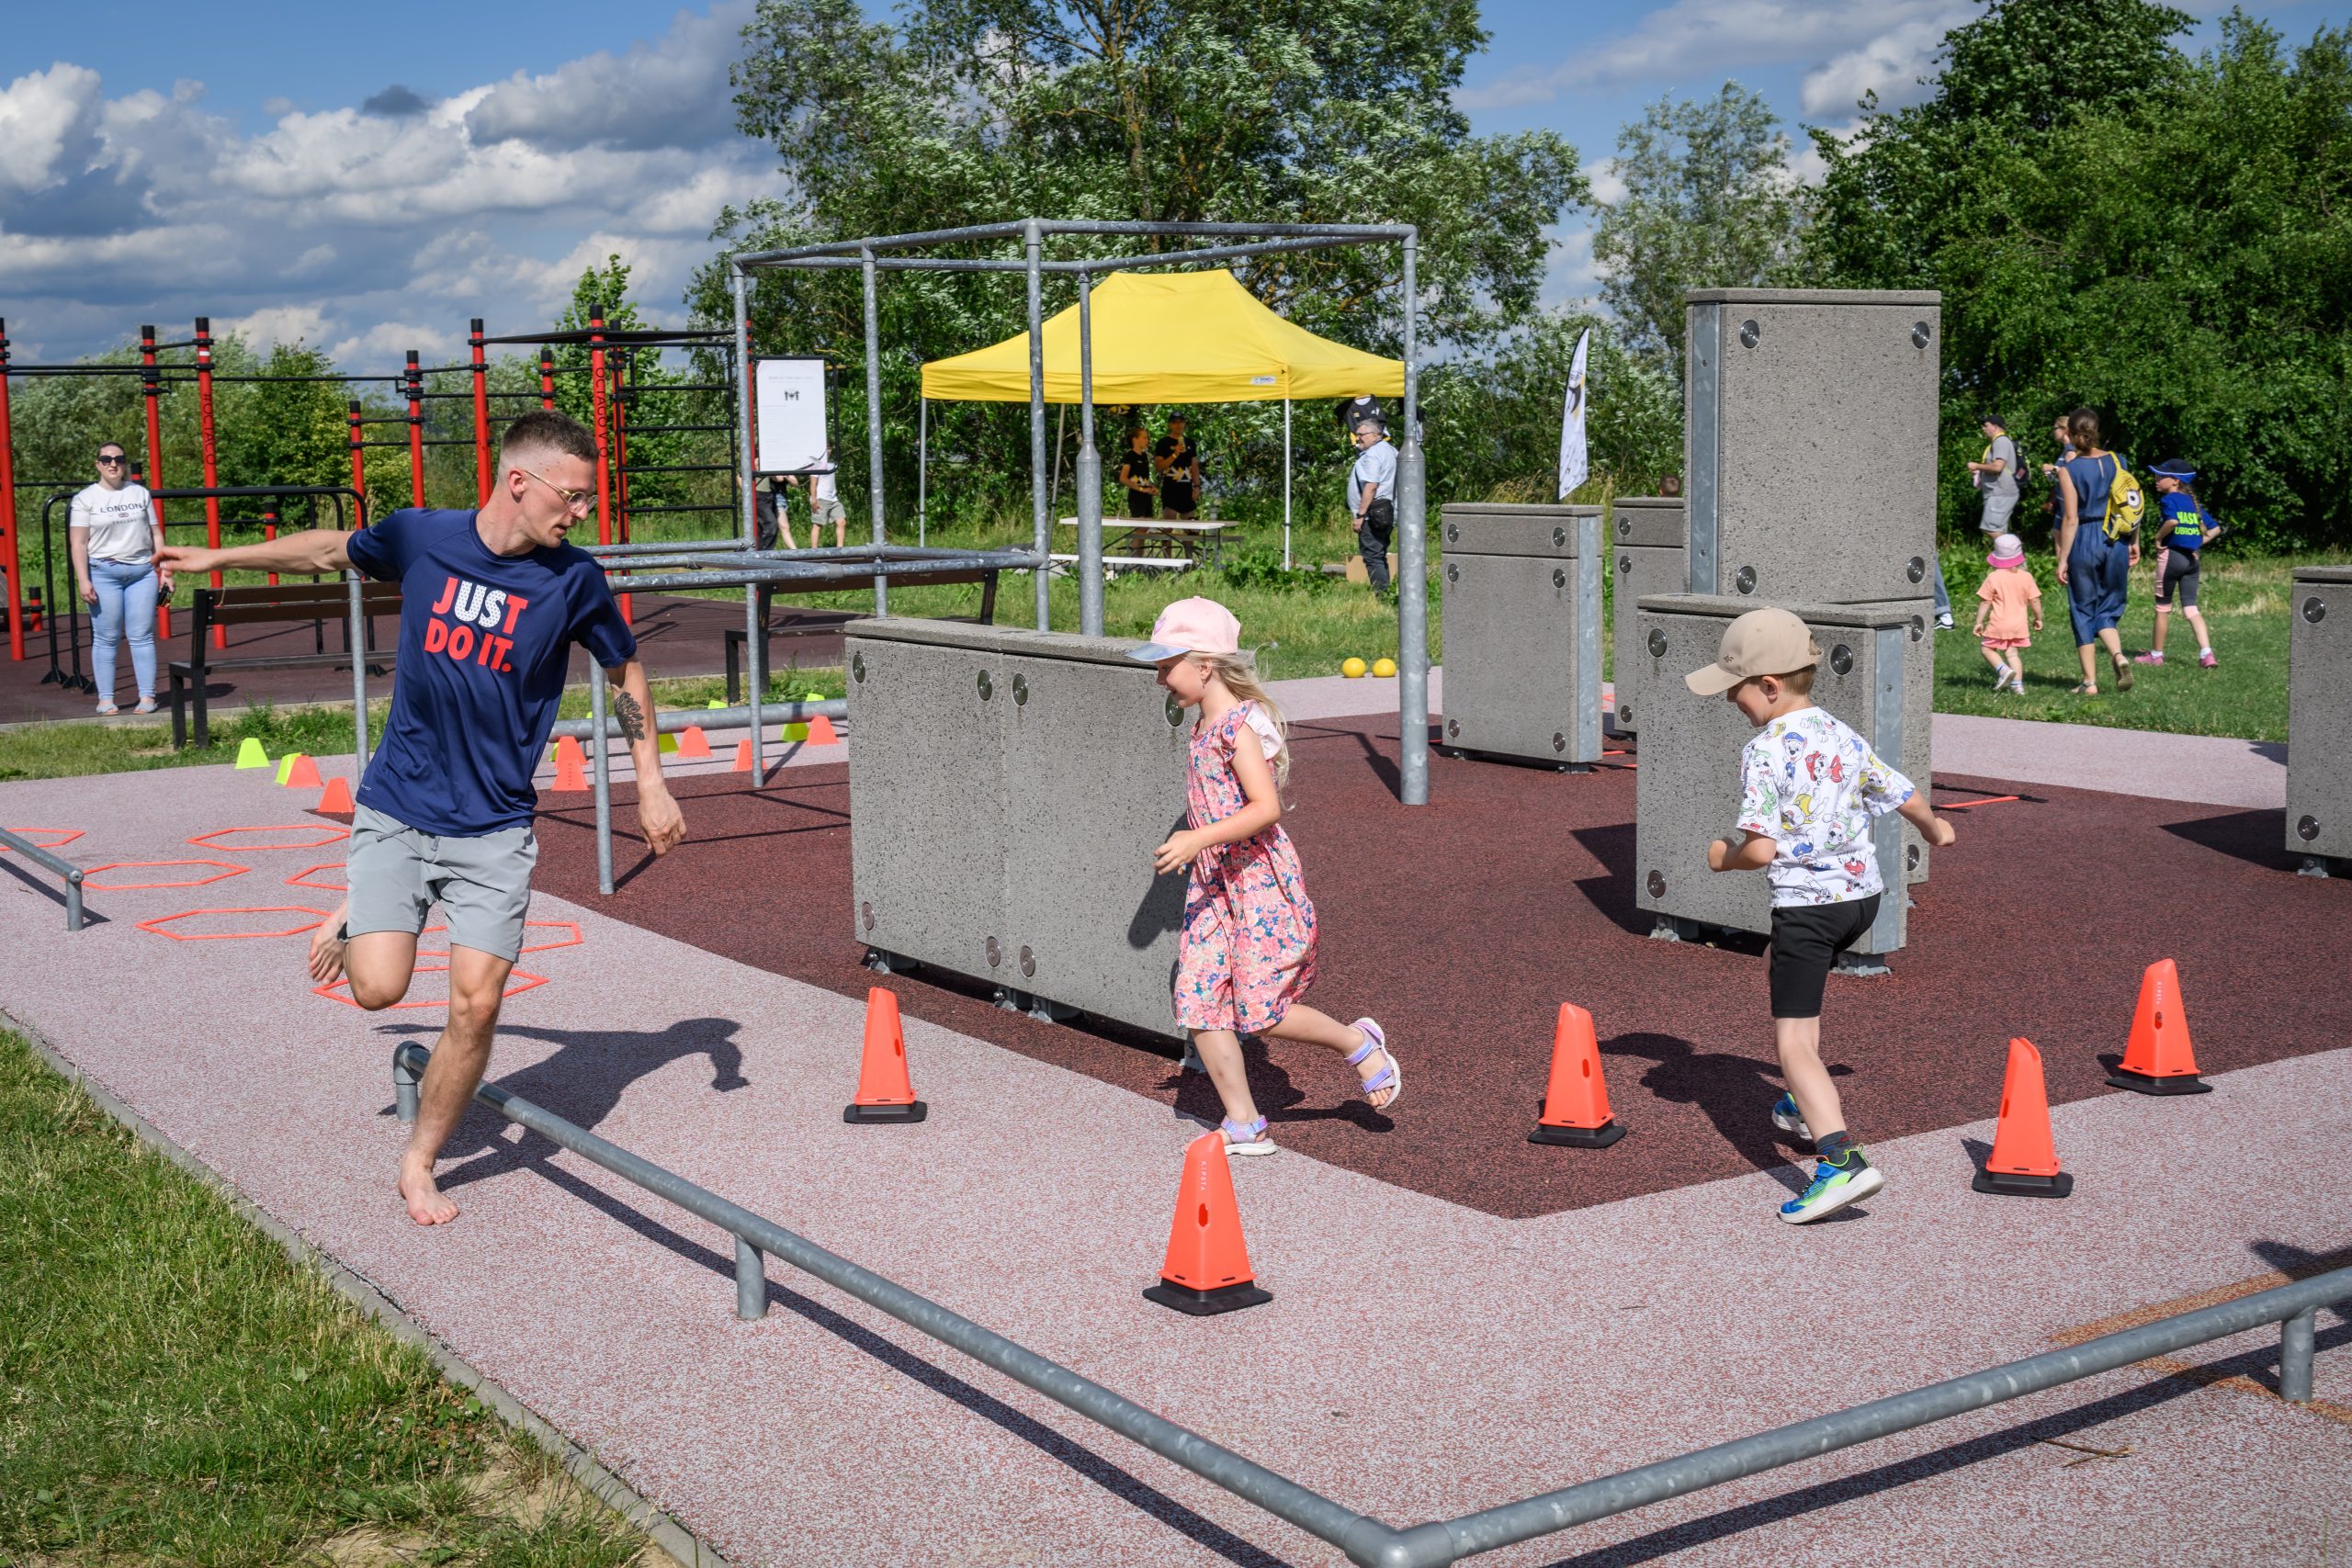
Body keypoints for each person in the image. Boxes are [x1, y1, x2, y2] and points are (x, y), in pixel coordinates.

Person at [156, 411, 687, 1226]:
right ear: (520, 481)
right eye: (574, 497)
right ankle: (361, 907)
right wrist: (215, 556)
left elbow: (625, 670)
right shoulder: (422, 538)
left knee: (477, 1005)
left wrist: (651, 782)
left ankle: (419, 1160)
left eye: (589, 499)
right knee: (378, 989)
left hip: (495, 827)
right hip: (398, 809)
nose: (582, 513)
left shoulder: (574, 580)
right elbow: (327, 550)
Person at [1690, 608, 1955, 1224]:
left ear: (1769, 686)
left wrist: (1722, 858)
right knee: (1778, 967)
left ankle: (1840, 1161)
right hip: (1861, 900)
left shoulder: (1763, 750)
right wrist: (1935, 829)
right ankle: (1800, 1103)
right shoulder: (1840, 732)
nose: (1730, 700)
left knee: (1793, 1041)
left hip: (1808, 908)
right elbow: (1901, 791)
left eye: (1735, 688)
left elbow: (1760, 850)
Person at [1131, 597, 1398, 1156]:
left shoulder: (1237, 728)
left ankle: (1357, 1042)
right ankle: (1244, 1122)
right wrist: (1199, 846)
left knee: (1260, 1013)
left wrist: (1197, 838)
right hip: (1214, 887)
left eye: (1166, 666)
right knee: (1198, 1000)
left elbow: (1265, 807)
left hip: (1255, 882)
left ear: (1205, 666)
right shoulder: (1202, 727)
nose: (1159, 680)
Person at [70, 442, 168, 716]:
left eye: (119, 459)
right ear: (97, 464)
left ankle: (147, 696)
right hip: (103, 572)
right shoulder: (85, 498)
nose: (113, 464)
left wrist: (165, 571)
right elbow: (78, 543)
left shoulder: (139, 493)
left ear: (125, 463)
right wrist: (83, 579)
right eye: (106, 459)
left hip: (142, 572)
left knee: (142, 636)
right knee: (106, 637)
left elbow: (156, 535)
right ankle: (105, 699)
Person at [2054, 407, 2139, 695]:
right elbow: (2131, 504)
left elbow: (2070, 519)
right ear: (2096, 429)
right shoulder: (2119, 460)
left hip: (2086, 538)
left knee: (2082, 607)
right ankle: (2118, 655)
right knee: (2109, 605)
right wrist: (2135, 540)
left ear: (2070, 433)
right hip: (2117, 538)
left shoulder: (2069, 470)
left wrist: (2062, 559)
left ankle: (2089, 682)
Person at [2136, 458, 2221, 668]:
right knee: (2191, 608)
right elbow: (2215, 528)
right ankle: (2207, 654)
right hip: (2192, 560)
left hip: (2172, 558)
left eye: (2161, 476)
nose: (2156, 479)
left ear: (2175, 481)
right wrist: (2196, 543)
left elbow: (2172, 521)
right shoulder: (2192, 502)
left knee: (2162, 607)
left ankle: (2156, 656)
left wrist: (2158, 538)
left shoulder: (2169, 500)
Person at [1972, 532, 2043, 693]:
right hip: (2019, 625)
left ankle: (2003, 670)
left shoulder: (1993, 577)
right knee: (2012, 654)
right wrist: (2038, 618)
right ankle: (2017, 686)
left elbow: (1985, 601)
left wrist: (1979, 622)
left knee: (1986, 649)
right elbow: (2035, 600)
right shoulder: (2027, 577)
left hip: (1999, 623)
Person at [1350, 419, 1399, 595]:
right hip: (1388, 510)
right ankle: (1386, 592)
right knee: (1379, 553)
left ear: (1375, 436)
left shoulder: (1372, 455)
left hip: (1373, 513)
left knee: (1372, 555)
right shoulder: (1391, 451)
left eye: (1361, 434)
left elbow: (1371, 486)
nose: (1357, 438)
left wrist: (1360, 515)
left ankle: (1381, 596)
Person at [1968, 415, 2019, 538]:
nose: (1983, 428)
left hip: (2000, 493)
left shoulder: (2001, 441)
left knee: (1992, 529)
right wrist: (1981, 471)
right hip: (1997, 493)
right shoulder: (1999, 442)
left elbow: (1997, 467)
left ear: (1995, 427)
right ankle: (2008, 550)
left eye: (1986, 425)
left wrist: (1976, 466)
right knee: (1996, 529)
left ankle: (2012, 550)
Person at [1153, 413, 1202, 521]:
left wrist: (1197, 486)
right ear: (1169, 425)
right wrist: (1175, 454)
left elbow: (1194, 466)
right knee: (1169, 526)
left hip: (1187, 489)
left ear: (1184, 423)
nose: (1178, 425)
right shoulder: (1163, 443)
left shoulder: (1190, 443)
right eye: (1174, 422)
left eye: (1181, 422)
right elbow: (1158, 467)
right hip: (1170, 489)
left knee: (1190, 528)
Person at [1116, 427, 1158, 520]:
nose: (1147, 441)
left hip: (1147, 497)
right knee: (1140, 525)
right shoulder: (1130, 455)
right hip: (1136, 497)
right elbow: (1123, 478)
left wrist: (1151, 488)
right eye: (1144, 438)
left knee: (1148, 524)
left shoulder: (1145, 456)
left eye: (1147, 438)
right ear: (1135, 440)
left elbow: (1144, 478)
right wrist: (1141, 489)